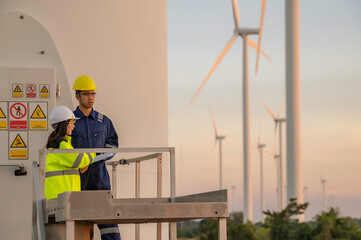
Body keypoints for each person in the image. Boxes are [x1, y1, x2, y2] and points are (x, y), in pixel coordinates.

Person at [71, 75, 121, 240]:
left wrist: (101, 156)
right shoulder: (70, 121)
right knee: (80, 224)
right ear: (77, 96)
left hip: (100, 178)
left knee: (109, 224)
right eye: (86, 94)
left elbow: (112, 144)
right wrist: (77, 163)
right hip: (78, 179)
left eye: (93, 94)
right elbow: (63, 148)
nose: (91, 98)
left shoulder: (103, 121)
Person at [45, 106, 96, 200]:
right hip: (61, 198)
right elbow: (81, 160)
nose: (74, 126)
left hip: (59, 196)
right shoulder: (62, 145)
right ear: (64, 124)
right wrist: (94, 153)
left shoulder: (58, 143)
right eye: (72, 122)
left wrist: (78, 168)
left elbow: (71, 162)